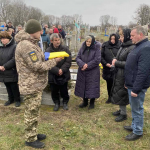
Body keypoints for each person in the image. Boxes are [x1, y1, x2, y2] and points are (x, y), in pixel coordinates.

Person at [15, 19, 62, 149]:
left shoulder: (30, 43)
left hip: (34, 84)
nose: (42, 32)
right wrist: (55, 61)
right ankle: (30, 139)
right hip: (31, 85)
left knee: (34, 111)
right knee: (31, 112)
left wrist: (47, 56)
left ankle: (33, 133)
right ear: (33, 31)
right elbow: (37, 66)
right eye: (39, 30)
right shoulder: (26, 45)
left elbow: (36, 60)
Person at [124, 26, 150, 141]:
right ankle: (135, 125)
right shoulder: (138, 46)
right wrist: (127, 83)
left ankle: (138, 131)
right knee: (134, 107)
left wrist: (135, 89)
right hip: (131, 84)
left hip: (137, 86)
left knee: (137, 108)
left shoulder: (145, 48)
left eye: (132, 35)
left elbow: (143, 71)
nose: (130, 37)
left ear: (140, 35)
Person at [110, 29, 135, 122]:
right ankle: (121, 110)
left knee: (122, 93)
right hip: (119, 73)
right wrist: (114, 59)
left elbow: (129, 63)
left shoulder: (131, 48)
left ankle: (124, 114)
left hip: (124, 74)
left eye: (122, 36)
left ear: (127, 36)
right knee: (119, 92)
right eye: (120, 36)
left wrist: (116, 63)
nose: (120, 39)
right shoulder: (123, 46)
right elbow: (119, 56)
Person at [45, 33, 72, 111]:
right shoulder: (48, 51)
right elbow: (47, 63)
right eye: (55, 40)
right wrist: (56, 70)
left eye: (58, 40)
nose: (57, 42)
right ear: (51, 41)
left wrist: (62, 70)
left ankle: (65, 102)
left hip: (64, 73)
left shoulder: (65, 49)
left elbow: (68, 61)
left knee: (64, 90)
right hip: (53, 74)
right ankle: (56, 103)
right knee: (54, 90)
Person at [75, 35, 101, 109]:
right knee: (83, 85)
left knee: (92, 86)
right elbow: (78, 57)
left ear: (92, 42)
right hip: (82, 70)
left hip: (93, 71)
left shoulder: (96, 48)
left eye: (89, 41)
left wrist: (87, 65)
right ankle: (85, 101)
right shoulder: (83, 47)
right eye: (87, 41)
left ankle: (92, 102)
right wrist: (82, 64)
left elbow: (97, 59)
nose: (88, 43)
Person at [0, 31, 21, 107]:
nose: (3, 40)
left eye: (4, 38)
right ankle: (10, 99)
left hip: (11, 70)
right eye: (2, 39)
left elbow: (14, 59)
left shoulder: (14, 46)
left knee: (14, 86)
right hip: (3, 72)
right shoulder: (1, 47)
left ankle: (17, 100)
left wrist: (4, 66)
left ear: (9, 39)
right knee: (7, 86)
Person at [101, 34, 120, 103]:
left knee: (116, 84)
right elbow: (101, 56)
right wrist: (106, 64)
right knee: (109, 83)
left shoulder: (120, 45)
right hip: (107, 68)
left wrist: (117, 63)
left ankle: (115, 97)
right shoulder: (105, 45)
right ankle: (110, 97)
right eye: (111, 39)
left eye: (114, 39)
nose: (112, 40)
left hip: (117, 68)